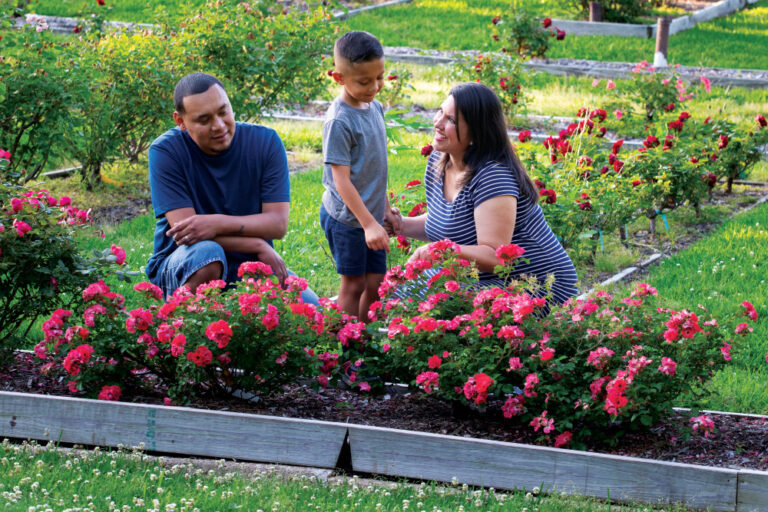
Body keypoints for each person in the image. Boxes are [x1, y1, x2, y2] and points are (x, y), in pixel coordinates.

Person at [392, 82, 578, 307]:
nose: (437, 123)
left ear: (477, 133)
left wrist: (440, 250)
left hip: (533, 285)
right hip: (481, 278)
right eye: (440, 111)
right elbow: (447, 222)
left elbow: (496, 257)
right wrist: (399, 225)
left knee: (423, 305)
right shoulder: (439, 160)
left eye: (451, 120)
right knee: (398, 295)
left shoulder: (492, 177)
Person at [145, 72, 319, 304]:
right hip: (186, 264)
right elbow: (187, 234)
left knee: (312, 311)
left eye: (223, 111)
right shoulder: (166, 151)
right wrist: (256, 243)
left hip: (251, 266)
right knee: (208, 254)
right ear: (181, 122)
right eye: (204, 120)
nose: (218, 126)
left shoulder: (265, 143)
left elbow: (277, 224)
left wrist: (213, 223)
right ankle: (173, 322)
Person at [320, 31, 400, 320]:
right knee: (353, 285)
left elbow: (375, 167)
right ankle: (342, 347)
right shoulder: (339, 121)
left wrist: (385, 211)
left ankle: (363, 343)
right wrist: (369, 225)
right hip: (347, 219)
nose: (375, 87)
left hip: (370, 216)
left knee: (376, 284)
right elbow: (341, 180)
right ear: (339, 78)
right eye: (364, 82)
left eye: (379, 77)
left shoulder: (374, 106)